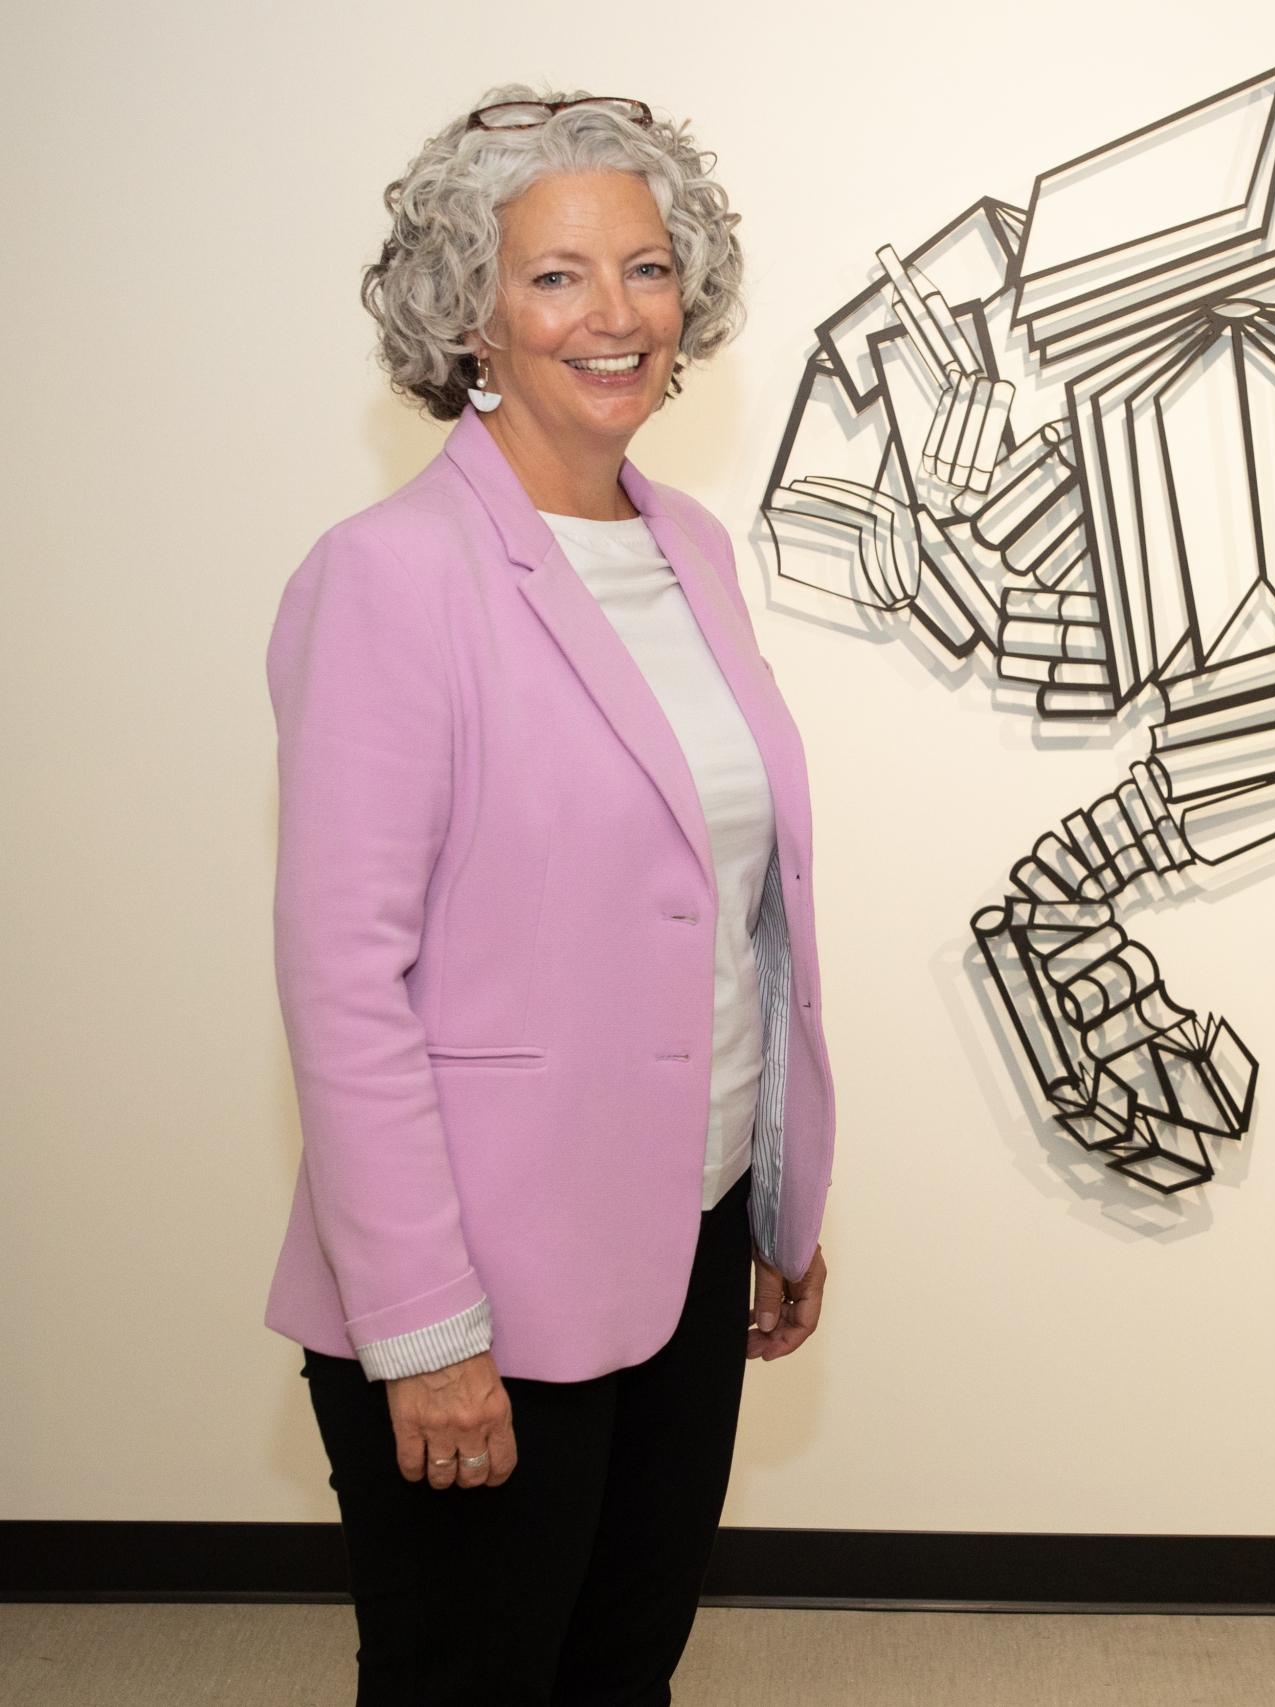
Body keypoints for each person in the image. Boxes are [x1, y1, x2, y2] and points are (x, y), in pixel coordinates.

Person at [263, 88, 833, 1703]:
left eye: (648, 271)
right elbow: (342, 985)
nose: (617, 317)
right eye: (557, 277)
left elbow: (739, 912)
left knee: (621, 1671)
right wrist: (425, 1329)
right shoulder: (391, 576)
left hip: (693, 1231)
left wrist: (776, 1190)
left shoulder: (695, 552)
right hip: (484, 1283)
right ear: (473, 315)